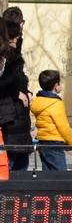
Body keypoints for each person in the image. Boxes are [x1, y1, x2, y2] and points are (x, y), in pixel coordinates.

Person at [0, 17, 32, 171]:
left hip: (17, 121)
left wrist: (25, 91)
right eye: (16, 37)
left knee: (19, 166)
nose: (18, 41)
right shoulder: (9, 60)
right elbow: (7, 83)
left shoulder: (13, 59)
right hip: (11, 119)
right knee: (10, 165)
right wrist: (16, 92)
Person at [31, 69, 72, 171]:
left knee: (47, 172)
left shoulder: (38, 101)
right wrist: (71, 142)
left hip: (42, 140)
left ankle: (47, 187)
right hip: (55, 142)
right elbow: (63, 126)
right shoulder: (56, 103)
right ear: (56, 86)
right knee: (61, 173)